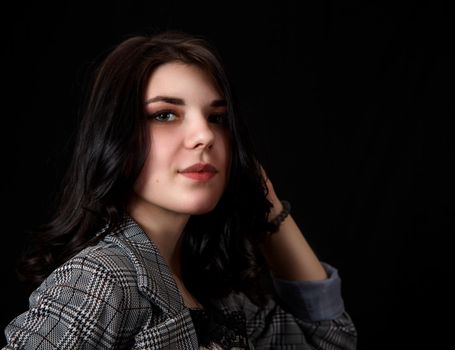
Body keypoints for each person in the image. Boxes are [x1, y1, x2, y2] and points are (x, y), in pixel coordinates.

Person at [2, 30, 357, 349]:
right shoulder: (103, 276)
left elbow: (331, 340)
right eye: (165, 115)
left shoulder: (216, 293)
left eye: (217, 118)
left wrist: (266, 199)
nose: (204, 136)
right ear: (116, 137)